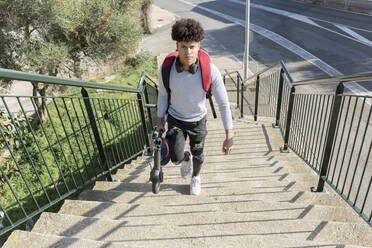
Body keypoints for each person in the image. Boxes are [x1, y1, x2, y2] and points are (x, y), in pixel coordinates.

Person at [156, 18, 233, 195]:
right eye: (183, 46)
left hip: (198, 120)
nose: (188, 52)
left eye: (192, 47)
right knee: (175, 157)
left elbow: (223, 103)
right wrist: (160, 121)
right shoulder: (166, 69)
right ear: (177, 45)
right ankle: (185, 159)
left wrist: (229, 134)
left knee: (199, 154)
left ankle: (196, 177)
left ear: (199, 45)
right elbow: (163, 94)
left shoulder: (210, 70)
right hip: (176, 119)